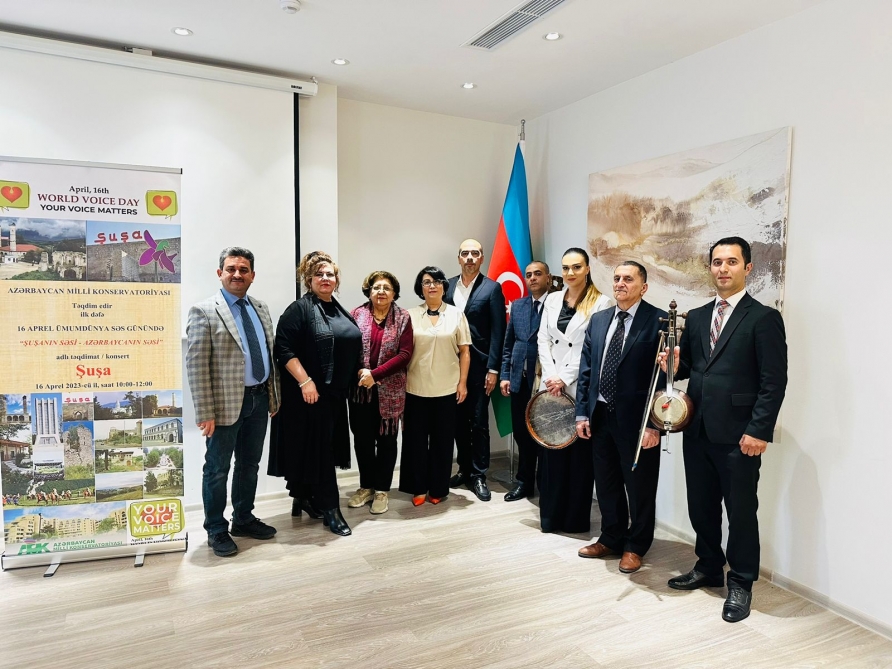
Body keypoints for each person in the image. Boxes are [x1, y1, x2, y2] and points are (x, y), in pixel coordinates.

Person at [660, 237, 787, 623]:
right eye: (717, 262)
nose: (723, 268)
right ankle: (708, 566)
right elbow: (690, 368)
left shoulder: (763, 318)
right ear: (710, 268)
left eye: (731, 262)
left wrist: (759, 430)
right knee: (701, 506)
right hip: (697, 429)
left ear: (747, 268)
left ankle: (742, 582)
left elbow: (773, 381)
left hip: (740, 436)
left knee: (741, 512)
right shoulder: (698, 317)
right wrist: (672, 365)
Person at [186, 247, 281, 558]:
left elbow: (269, 354)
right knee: (217, 469)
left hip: (258, 400)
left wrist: (274, 396)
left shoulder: (261, 308)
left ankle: (243, 518)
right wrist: (205, 412)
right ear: (220, 273)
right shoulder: (203, 311)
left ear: (252, 275)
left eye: (243, 270)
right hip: (223, 406)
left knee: (249, 465)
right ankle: (216, 528)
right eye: (231, 269)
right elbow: (196, 366)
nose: (237, 274)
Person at [575, 261, 667, 573]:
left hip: (638, 422)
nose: (620, 284)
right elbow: (586, 369)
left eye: (628, 279)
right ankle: (611, 537)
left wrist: (654, 425)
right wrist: (582, 413)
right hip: (600, 415)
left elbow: (663, 380)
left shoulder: (659, 321)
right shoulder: (600, 319)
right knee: (607, 482)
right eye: (616, 278)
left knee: (640, 487)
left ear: (644, 287)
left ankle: (636, 545)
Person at [268, 251, 362, 537]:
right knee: (321, 452)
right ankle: (331, 509)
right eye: (319, 274)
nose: (325, 278)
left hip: (335, 394)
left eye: (330, 274)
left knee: (320, 449)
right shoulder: (299, 309)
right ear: (308, 280)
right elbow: (283, 349)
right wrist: (305, 381)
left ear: (337, 279)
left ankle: (303, 497)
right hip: (308, 395)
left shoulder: (339, 309)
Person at [537, 247, 613, 533]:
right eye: (566, 268)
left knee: (579, 457)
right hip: (551, 388)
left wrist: (564, 377)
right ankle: (551, 518)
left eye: (577, 267)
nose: (570, 273)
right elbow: (543, 340)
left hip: (579, 386)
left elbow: (594, 350)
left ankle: (575, 521)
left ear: (587, 269)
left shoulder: (602, 303)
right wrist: (551, 376)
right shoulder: (552, 299)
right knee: (552, 452)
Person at [399, 266, 470, 506]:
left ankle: (438, 488)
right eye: (427, 282)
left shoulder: (457, 314)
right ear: (420, 288)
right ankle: (418, 487)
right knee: (416, 441)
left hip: (447, 389)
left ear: (443, 286)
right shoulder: (408, 315)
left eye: (437, 281)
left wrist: (462, 383)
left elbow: (465, 351)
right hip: (415, 388)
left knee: (443, 441)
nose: (432, 286)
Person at [347, 271, 414, 515]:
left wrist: (375, 375)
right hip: (361, 391)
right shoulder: (356, 314)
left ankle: (382, 490)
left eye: (387, 288)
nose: (381, 292)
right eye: (376, 287)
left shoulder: (403, 317)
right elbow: (348, 348)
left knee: (386, 442)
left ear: (394, 293)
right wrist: (360, 371)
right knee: (362, 441)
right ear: (369, 291)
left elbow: (405, 355)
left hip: (391, 392)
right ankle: (366, 486)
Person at [445, 239, 506, 502]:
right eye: (465, 253)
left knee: (479, 422)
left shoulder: (492, 288)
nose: (470, 257)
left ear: (482, 258)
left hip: (481, 367)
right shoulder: (446, 286)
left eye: (475, 253)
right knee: (457, 422)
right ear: (459, 258)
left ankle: (479, 475)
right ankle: (464, 469)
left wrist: (494, 369)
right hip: (449, 366)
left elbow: (498, 331)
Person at [499, 260, 551, 502]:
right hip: (519, 380)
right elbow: (508, 343)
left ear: (548, 278)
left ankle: (545, 483)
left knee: (543, 435)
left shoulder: (557, 305)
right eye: (528, 274)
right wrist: (505, 375)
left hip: (545, 383)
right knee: (521, 433)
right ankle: (524, 482)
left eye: (538, 274)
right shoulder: (518, 305)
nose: (532, 278)